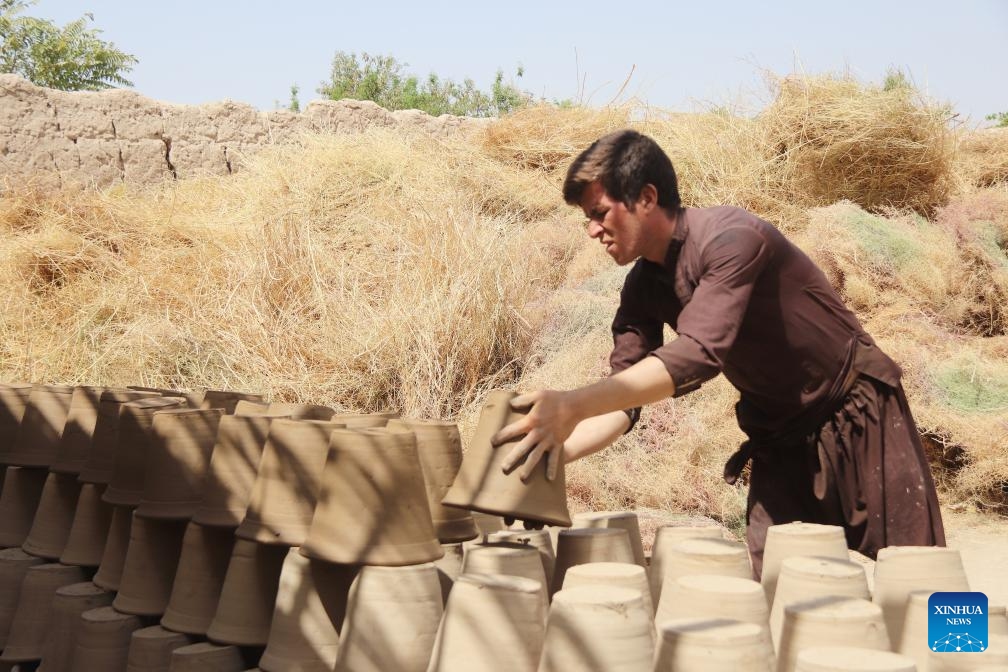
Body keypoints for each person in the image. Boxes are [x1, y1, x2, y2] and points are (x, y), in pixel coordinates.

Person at [492, 129, 945, 577]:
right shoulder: (642, 287)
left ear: (646, 198)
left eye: (599, 213)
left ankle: (961, 650)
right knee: (775, 589)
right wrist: (555, 452)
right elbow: (625, 399)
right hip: (780, 440)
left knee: (922, 578)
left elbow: (699, 354)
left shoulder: (733, 238)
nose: (592, 230)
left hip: (856, 411)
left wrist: (571, 404)